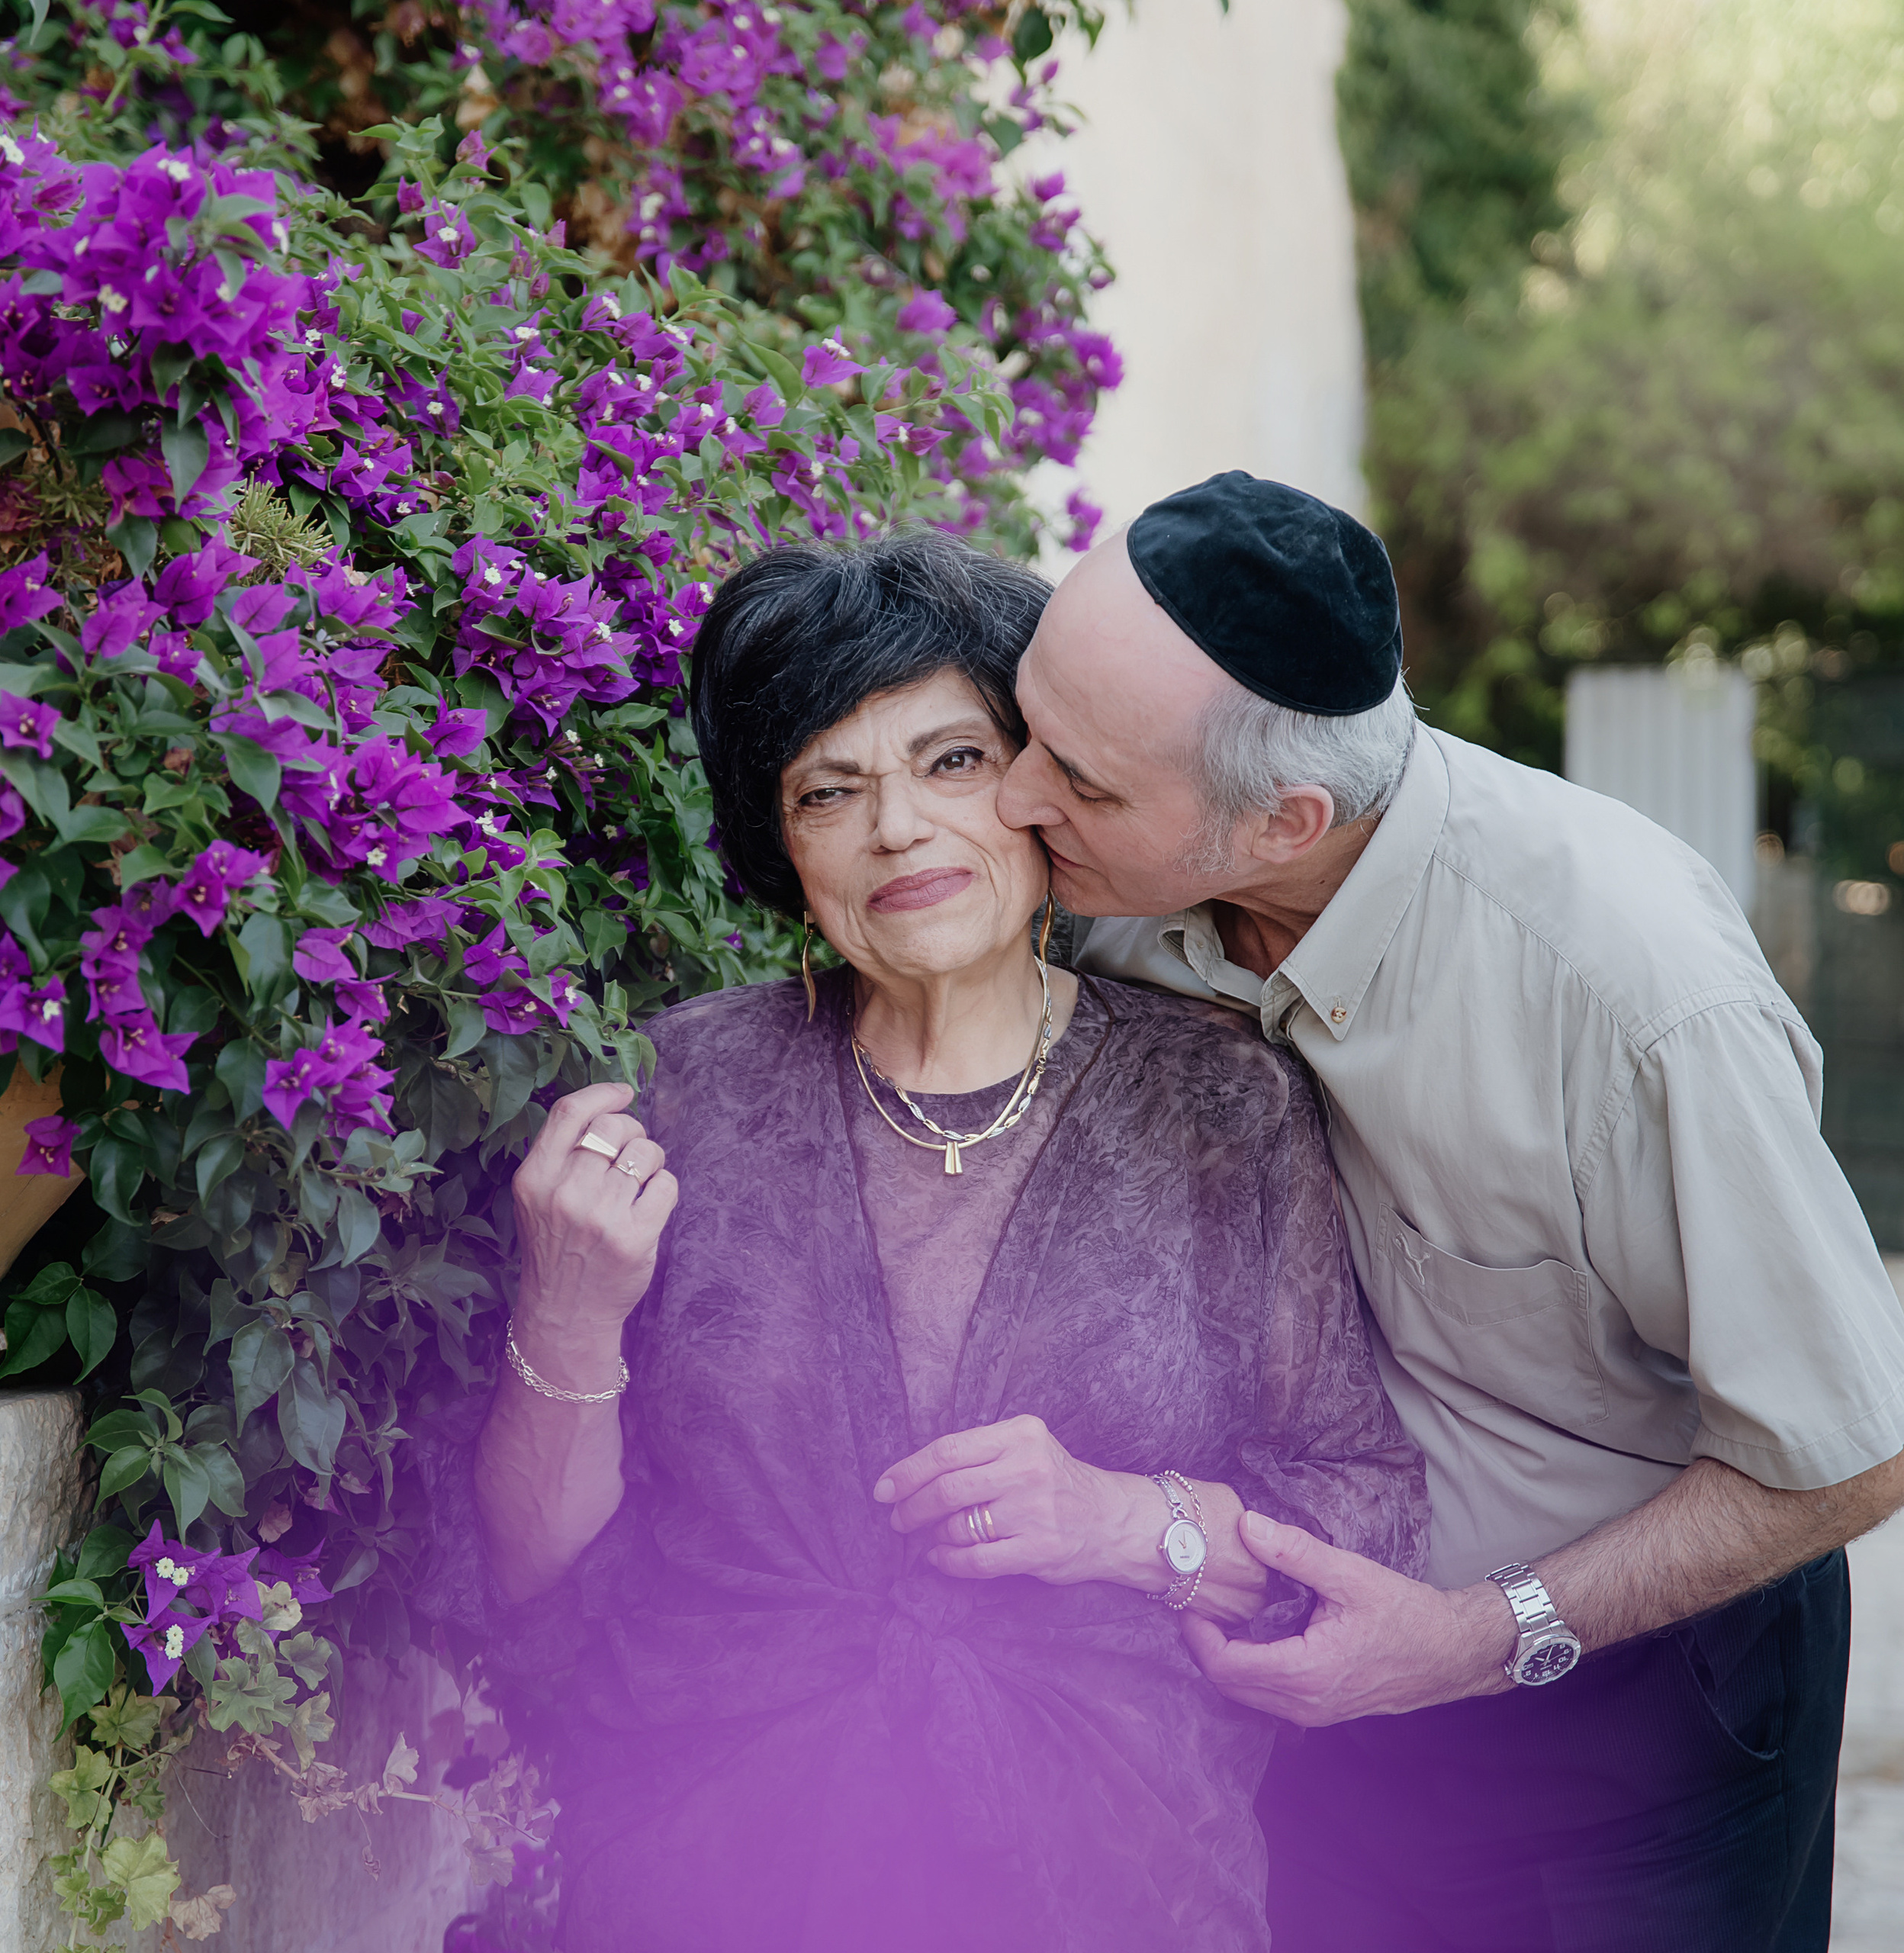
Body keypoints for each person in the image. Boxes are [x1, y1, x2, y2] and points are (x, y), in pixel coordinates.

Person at [416, 526, 1426, 1953]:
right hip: (712, 1877)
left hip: (1114, 1880)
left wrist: (1128, 1522)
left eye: (951, 762)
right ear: (784, 843)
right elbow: (531, 1574)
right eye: (831, 789)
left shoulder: (1222, 1105)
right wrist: (568, 1319)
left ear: (1040, 793)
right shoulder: (678, 1097)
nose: (898, 828)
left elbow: (1366, 1514)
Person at [995, 468, 1904, 1953]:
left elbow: (1846, 1449)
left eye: (1078, 779)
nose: (1017, 798)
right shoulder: (1107, 880)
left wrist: (1484, 1633)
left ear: (1280, 818)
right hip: (1302, 1694)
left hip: (1623, 1709)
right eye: (1024, 725)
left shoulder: (1632, 990)